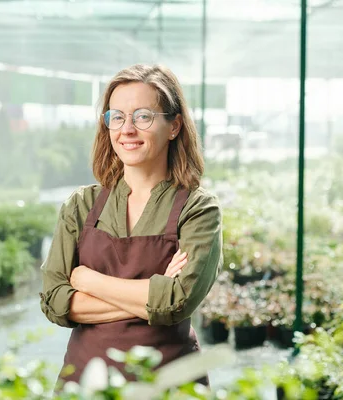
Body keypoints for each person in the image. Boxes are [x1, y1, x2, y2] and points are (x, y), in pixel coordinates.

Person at [39, 64, 223, 389]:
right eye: (117, 117)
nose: (127, 129)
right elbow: (54, 301)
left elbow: (176, 302)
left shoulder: (197, 209)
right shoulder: (81, 206)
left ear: (174, 126)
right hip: (85, 385)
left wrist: (86, 279)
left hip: (169, 386)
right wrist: (150, 294)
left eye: (143, 117)